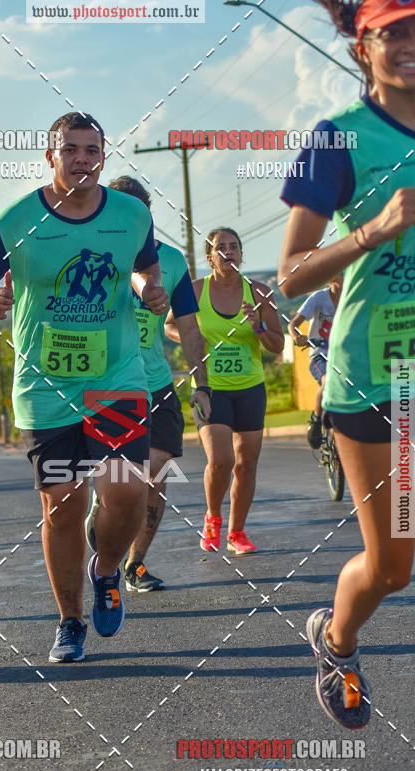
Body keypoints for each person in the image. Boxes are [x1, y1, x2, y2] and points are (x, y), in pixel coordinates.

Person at [0, 112, 169, 663]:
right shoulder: (16, 219)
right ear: (50, 157)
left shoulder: (130, 214)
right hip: (46, 386)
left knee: (127, 493)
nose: (81, 158)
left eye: (91, 149)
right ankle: (70, 621)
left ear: (104, 155)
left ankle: (106, 569)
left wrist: (149, 289)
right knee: (63, 506)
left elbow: (145, 267)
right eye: (70, 149)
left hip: (116, 376)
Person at [279, 0, 415, 729]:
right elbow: (293, 273)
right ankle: (336, 638)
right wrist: (375, 228)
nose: (411, 44)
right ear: (363, 46)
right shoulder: (337, 140)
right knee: (394, 567)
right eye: (395, 31)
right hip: (379, 379)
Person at [85, 175, 211, 592]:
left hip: (156, 383)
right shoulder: (94, 255)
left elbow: (190, 329)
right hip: (110, 385)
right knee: (125, 484)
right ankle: (105, 516)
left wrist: (201, 385)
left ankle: (135, 564)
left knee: (157, 476)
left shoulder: (171, 262)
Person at [166, 227, 284, 555]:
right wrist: (193, 341)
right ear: (210, 257)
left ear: (241, 254)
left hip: (250, 387)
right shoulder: (193, 290)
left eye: (234, 247)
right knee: (221, 460)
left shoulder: (259, 293)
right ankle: (213, 517)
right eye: (221, 248)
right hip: (209, 387)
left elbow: (278, 344)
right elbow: (170, 325)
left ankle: (237, 532)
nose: (228, 252)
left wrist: (258, 327)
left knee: (246, 465)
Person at [288, 274, 343, 448]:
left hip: (343, 356)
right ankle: (316, 421)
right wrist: (297, 336)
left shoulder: (352, 298)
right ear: (332, 278)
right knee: (327, 382)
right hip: (320, 353)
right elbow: (293, 323)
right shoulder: (319, 297)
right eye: (342, 273)